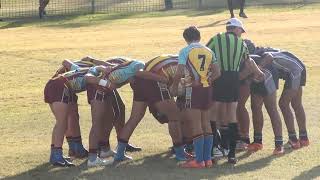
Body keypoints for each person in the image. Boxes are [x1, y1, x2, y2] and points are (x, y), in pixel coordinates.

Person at [206, 18, 263, 164]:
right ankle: (231, 154)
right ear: (236, 29)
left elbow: (205, 54)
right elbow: (248, 61)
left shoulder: (215, 39)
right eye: (240, 31)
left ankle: (214, 149)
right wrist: (258, 72)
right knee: (231, 114)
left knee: (214, 112)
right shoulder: (241, 43)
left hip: (219, 76)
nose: (241, 34)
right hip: (233, 78)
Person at [114, 55, 188, 163]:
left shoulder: (177, 58)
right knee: (174, 117)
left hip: (139, 80)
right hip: (154, 81)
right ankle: (180, 154)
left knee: (135, 117)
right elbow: (172, 82)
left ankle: (119, 154)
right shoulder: (189, 67)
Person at [44, 60, 112, 167]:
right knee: (61, 123)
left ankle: (56, 154)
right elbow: (89, 77)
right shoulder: (93, 71)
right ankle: (56, 156)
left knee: (61, 122)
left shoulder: (83, 69)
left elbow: (67, 63)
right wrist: (106, 83)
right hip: (60, 86)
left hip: (54, 84)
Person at [171, 26, 220, 168]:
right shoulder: (209, 50)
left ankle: (199, 161)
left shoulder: (185, 51)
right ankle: (207, 159)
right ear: (199, 36)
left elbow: (179, 72)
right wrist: (208, 80)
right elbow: (217, 72)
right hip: (207, 90)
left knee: (196, 124)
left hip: (193, 90)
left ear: (185, 39)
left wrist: (174, 87)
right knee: (206, 123)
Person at [245, 43, 309, 149]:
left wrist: (259, 68)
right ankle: (303, 138)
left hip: (296, 70)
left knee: (284, 104)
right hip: (296, 67)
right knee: (295, 104)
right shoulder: (259, 53)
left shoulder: (260, 54)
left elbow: (269, 57)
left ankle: (295, 139)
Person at [85, 59, 146, 167]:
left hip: (104, 91)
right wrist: (106, 83)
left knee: (110, 118)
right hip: (98, 91)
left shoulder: (127, 66)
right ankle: (92, 158)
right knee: (97, 123)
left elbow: (129, 78)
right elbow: (88, 78)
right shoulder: (139, 66)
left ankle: (104, 150)